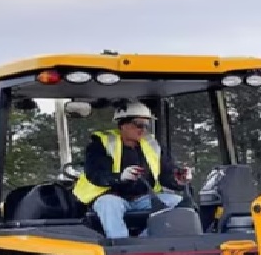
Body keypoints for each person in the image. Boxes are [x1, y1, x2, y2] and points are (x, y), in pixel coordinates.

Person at [72, 101, 190, 238]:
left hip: (144, 198)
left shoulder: (153, 146)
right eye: (139, 125)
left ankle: (145, 241)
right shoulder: (101, 145)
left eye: (146, 125)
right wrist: (120, 177)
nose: (143, 130)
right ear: (122, 125)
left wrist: (179, 180)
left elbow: (166, 175)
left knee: (177, 202)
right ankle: (121, 247)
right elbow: (96, 174)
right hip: (113, 197)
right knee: (108, 204)